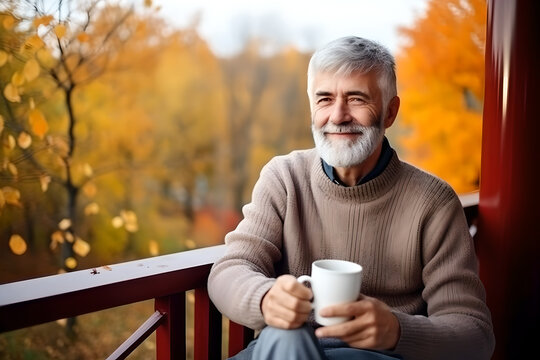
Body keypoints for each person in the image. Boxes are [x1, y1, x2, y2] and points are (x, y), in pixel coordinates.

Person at [208, 36, 495, 360]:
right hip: (281, 348)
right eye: (325, 99)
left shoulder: (433, 202)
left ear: (390, 111)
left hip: (373, 356)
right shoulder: (284, 178)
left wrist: (397, 331)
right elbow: (229, 269)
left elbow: (475, 335)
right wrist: (264, 298)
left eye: (356, 99)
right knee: (286, 336)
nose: (339, 115)